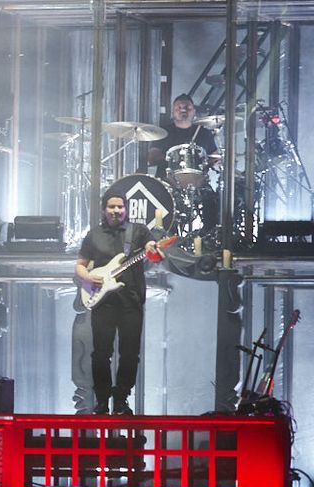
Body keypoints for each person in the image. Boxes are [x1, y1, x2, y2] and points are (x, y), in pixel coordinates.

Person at [75, 192, 163, 415]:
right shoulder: (93, 235)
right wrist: (87, 277)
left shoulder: (139, 231)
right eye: (112, 207)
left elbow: (155, 256)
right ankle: (102, 400)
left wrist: (154, 249)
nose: (116, 211)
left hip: (130, 301)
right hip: (103, 301)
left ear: (126, 209)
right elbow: (80, 265)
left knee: (130, 353)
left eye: (120, 207)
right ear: (105, 209)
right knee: (101, 353)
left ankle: (122, 399)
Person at [147, 94, 219, 182]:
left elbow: (215, 158)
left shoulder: (205, 133)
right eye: (179, 108)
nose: (183, 110)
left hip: (198, 184)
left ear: (194, 111)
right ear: (172, 112)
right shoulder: (162, 133)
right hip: (167, 184)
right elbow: (152, 158)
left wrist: (217, 162)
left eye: (187, 107)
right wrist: (175, 158)